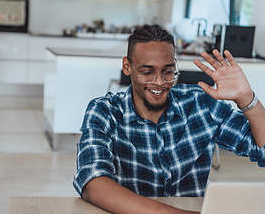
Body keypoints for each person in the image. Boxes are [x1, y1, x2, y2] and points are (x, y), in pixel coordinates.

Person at [73, 25, 265, 214]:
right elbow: (93, 183)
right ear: (127, 67)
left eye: (168, 71)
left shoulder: (201, 104)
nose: (159, 82)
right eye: (147, 71)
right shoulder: (105, 111)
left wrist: (247, 99)